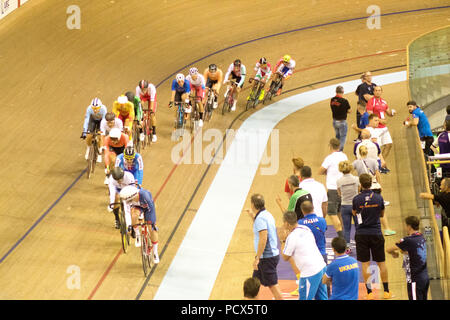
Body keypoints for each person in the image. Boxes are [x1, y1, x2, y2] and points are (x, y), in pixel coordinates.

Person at [352, 173, 393, 299]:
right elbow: (381, 214)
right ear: (371, 183)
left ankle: (369, 293)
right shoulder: (378, 198)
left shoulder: (356, 199)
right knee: (381, 263)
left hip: (361, 234)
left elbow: (354, 213)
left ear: (360, 184)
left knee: (365, 264)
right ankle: (386, 292)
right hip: (376, 233)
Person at [279, 210, 328, 300]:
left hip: (310, 273)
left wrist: (283, 240)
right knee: (322, 298)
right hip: (321, 266)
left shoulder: (291, 237)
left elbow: (285, 257)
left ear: (286, 223)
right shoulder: (305, 228)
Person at [245, 194, 283, 300]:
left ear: (252, 204)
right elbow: (260, 226)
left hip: (266, 258)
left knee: (273, 286)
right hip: (266, 257)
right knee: (253, 287)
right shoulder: (266, 214)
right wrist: (252, 216)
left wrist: (257, 257)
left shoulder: (260, 218)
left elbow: (263, 238)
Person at [353, 145, 396, 236]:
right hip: (374, 186)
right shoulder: (373, 161)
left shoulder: (356, 163)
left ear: (359, 153)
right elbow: (377, 174)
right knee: (379, 207)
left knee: (363, 208)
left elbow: (350, 170)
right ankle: (386, 228)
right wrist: (380, 184)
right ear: (367, 152)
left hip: (363, 186)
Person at [386, 216, 429, 300]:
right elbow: (410, 251)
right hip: (425, 278)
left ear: (409, 226)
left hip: (414, 279)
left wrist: (394, 253)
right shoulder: (421, 237)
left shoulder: (407, 240)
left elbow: (388, 249)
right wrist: (402, 251)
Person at [119, 185, 159, 263]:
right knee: (133, 215)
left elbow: (151, 209)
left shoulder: (145, 196)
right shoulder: (127, 199)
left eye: (129, 201)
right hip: (137, 207)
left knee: (152, 228)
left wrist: (150, 223)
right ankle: (138, 235)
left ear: (133, 197)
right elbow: (127, 213)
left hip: (148, 208)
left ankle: (155, 252)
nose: (128, 202)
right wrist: (129, 226)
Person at [319, 138, 348, 238]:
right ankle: (343, 233)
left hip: (333, 189)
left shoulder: (329, 158)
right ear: (339, 146)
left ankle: (341, 236)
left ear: (330, 146)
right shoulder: (344, 156)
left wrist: (327, 172)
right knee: (339, 212)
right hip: (344, 188)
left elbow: (320, 171)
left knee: (332, 213)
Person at [366, 86, 396, 162]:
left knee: (389, 144)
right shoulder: (371, 101)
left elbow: (388, 112)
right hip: (375, 128)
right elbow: (370, 114)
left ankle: (381, 163)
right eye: (376, 90)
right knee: (376, 148)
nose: (378, 92)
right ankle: (375, 164)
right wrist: (380, 120)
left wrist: (392, 113)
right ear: (373, 92)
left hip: (383, 127)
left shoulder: (384, 101)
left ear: (381, 92)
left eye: (379, 90)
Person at [336, 161, 359, 253]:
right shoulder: (356, 179)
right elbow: (359, 190)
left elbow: (339, 194)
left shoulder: (339, 181)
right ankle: (360, 245)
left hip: (345, 206)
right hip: (355, 206)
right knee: (358, 226)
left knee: (346, 228)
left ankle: (348, 248)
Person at [81, 98, 107, 163]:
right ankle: (88, 148)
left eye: (97, 108)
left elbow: (104, 122)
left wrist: (101, 132)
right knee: (89, 135)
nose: (95, 110)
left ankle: (99, 154)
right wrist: (84, 131)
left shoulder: (103, 109)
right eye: (93, 108)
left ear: (100, 107)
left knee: (100, 137)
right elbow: (87, 120)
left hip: (101, 121)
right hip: (92, 120)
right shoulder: (89, 109)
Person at [330, 85, 351, 151]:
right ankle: (340, 150)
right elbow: (349, 110)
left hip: (335, 121)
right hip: (342, 121)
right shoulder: (344, 101)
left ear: (336, 92)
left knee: (337, 136)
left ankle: (336, 148)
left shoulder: (332, 100)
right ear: (343, 92)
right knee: (343, 137)